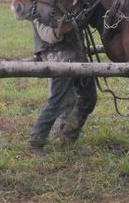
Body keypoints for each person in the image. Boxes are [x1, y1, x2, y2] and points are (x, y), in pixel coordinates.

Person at [28, 19, 97, 155]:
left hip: (77, 54)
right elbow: (46, 33)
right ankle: (35, 143)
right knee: (58, 101)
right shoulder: (39, 5)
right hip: (58, 57)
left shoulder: (68, 1)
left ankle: (67, 137)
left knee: (89, 98)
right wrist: (58, 31)